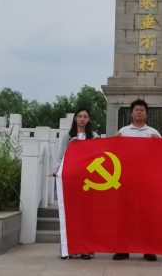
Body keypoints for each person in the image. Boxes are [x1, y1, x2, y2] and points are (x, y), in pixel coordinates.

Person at [112, 99, 160, 262]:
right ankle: (122, 249)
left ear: (146, 114)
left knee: (148, 215)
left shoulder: (153, 132)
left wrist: (159, 142)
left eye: (142, 110)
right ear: (131, 113)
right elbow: (113, 153)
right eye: (136, 110)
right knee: (124, 215)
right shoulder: (123, 131)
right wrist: (113, 141)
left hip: (147, 180)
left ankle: (149, 250)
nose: (139, 112)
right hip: (126, 179)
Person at [51, 107, 100, 260]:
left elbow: (99, 155)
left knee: (86, 216)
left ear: (89, 119)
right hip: (72, 180)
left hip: (89, 181)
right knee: (70, 215)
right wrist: (56, 170)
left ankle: (86, 249)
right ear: (75, 118)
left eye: (85, 116)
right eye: (80, 116)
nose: (82, 119)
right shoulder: (68, 136)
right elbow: (61, 156)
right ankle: (67, 249)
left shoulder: (94, 136)